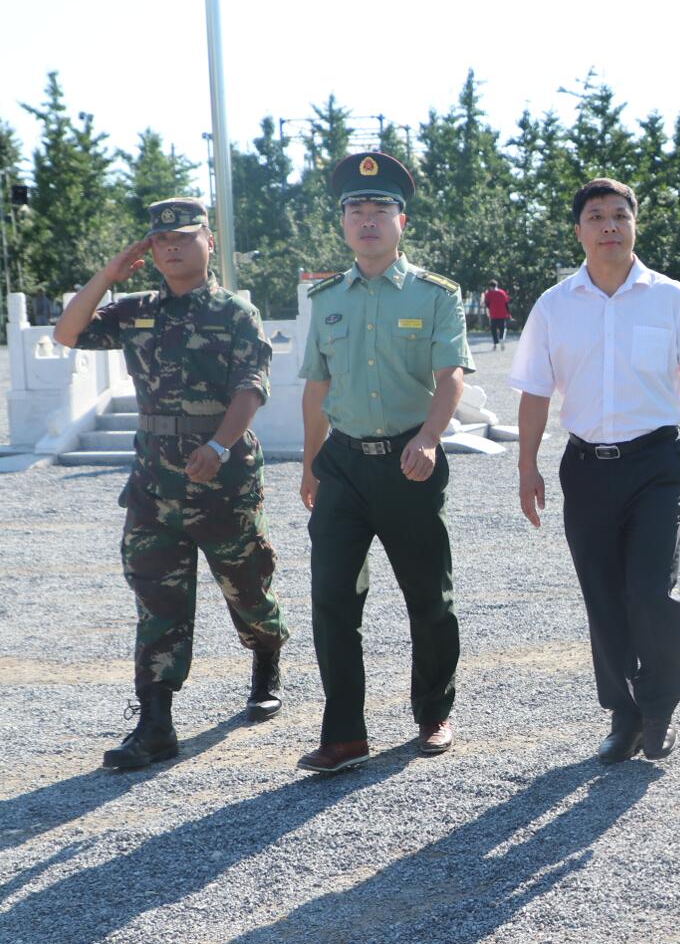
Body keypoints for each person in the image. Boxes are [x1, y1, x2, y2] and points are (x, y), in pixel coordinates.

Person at [52, 197, 289, 769]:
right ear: (149, 251)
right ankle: (155, 722)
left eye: (184, 237)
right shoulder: (135, 311)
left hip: (222, 476)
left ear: (208, 241)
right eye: (162, 241)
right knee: (157, 597)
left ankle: (266, 654)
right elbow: (67, 332)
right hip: (154, 481)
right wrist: (109, 276)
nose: (173, 247)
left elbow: (251, 387)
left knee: (246, 584)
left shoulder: (234, 313)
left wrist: (218, 445)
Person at [510, 177, 680, 764]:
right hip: (585, 467)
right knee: (603, 595)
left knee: (651, 591)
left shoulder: (671, 299)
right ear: (579, 230)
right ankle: (624, 715)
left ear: (634, 225)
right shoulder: (555, 305)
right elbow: (534, 393)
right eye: (595, 217)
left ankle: (659, 710)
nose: (608, 225)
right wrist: (526, 466)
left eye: (619, 215)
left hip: (655, 463)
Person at [296, 152, 475, 774]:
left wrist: (428, 437)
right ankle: (345, 734)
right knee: (332, 600)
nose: (367, 219)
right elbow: (315, 387)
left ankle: (433, 713)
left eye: (380, 209)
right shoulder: (324, 299)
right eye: (355, 209)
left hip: (409, 460)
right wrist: (309, 463)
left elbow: (450, 377)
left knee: (428, 597)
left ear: (403, 221)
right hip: (342, 462)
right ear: (342, 223)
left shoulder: (435, 296)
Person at [483, 279, 511, 350]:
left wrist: (490, 309)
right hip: (502, 314)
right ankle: (501, 338)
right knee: (502, 329)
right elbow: (506, 303)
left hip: (493, 314)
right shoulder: (502, 292)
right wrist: (508, 313)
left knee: (493, 329)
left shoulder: (488, 294)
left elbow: (487, 303)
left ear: (490, 286)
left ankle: (495, 343)